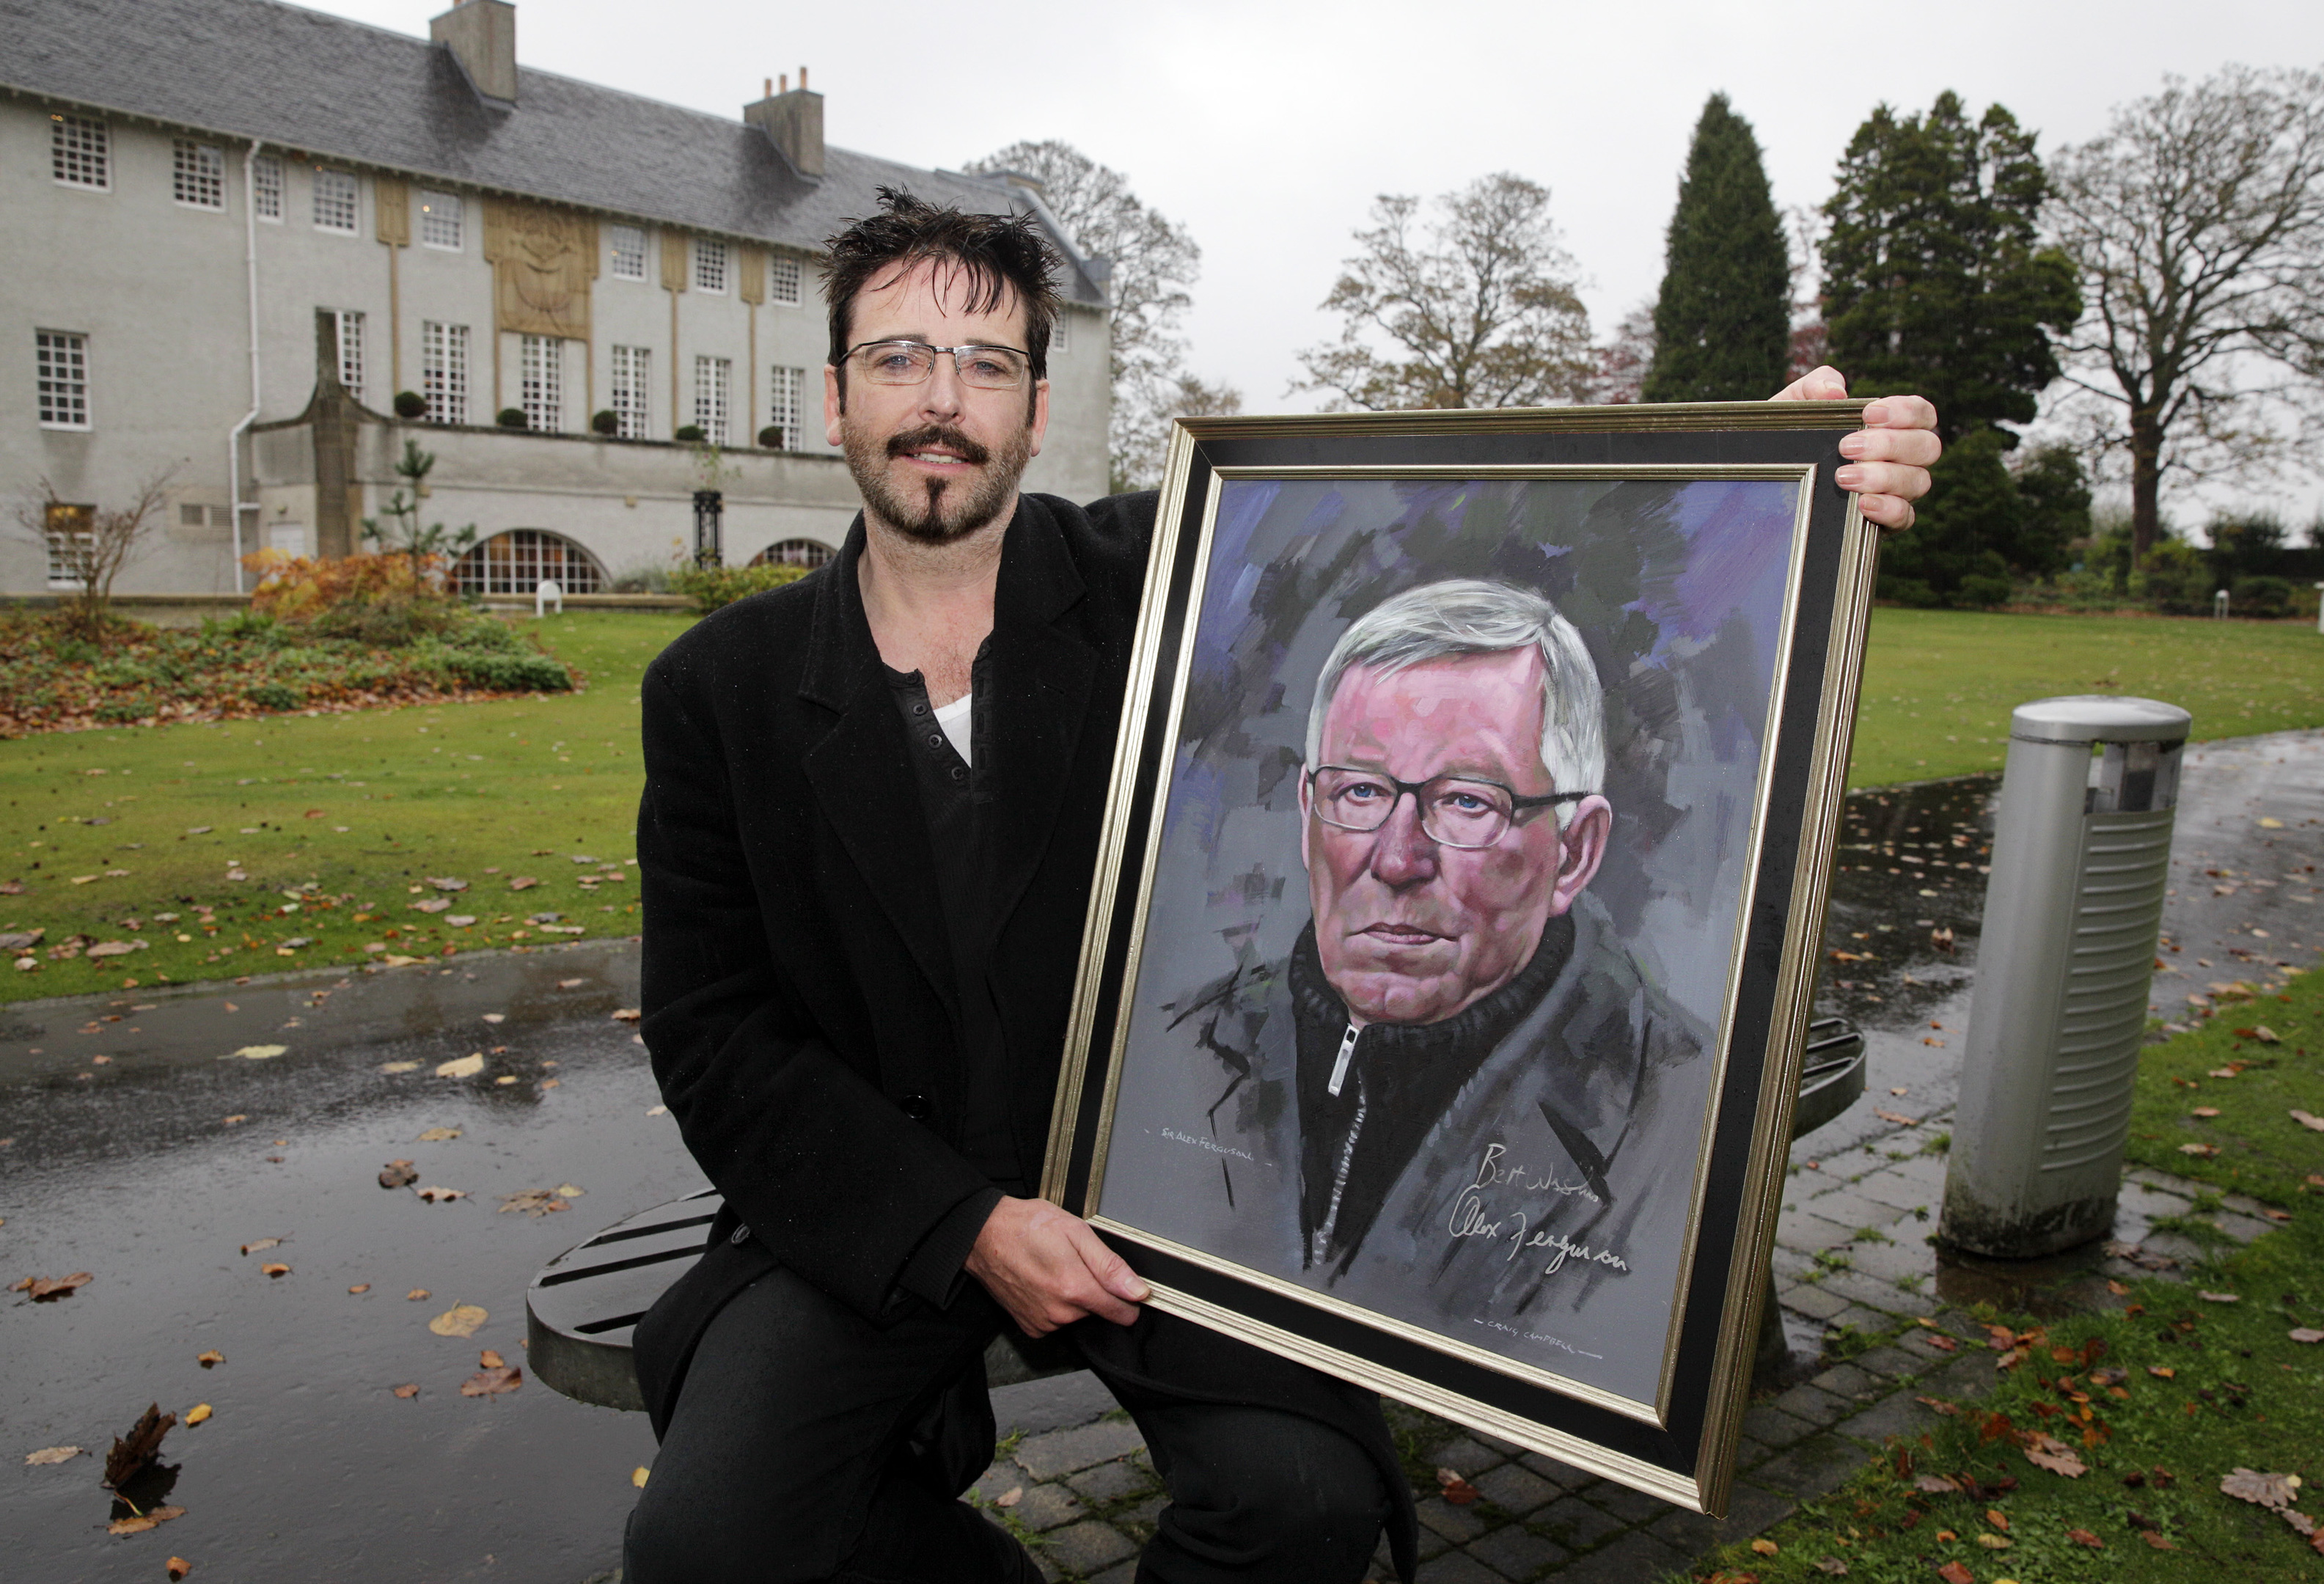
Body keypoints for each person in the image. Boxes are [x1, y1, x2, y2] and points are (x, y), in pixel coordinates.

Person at [622, 188, 1941, 1582]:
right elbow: (716, 1037)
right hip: (887, 1202)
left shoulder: (1173, 568)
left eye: (984, 363)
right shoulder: (721, 689)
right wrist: (958, 1225)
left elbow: (1464, 521)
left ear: (1032, 404)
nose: (939, 401)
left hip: (1174, 1187)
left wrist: (1767, 456)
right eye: (897, 358)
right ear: (833, 398)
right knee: (703, 1546)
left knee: (1300, 1503)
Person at [1138, 579, 1711, 1403]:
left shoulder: (1678, 1111)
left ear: (1575, 854)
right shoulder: (1179, 1046)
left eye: (1467, 801)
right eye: (1361, 792)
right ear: (1308, 815)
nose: (1397, 858)